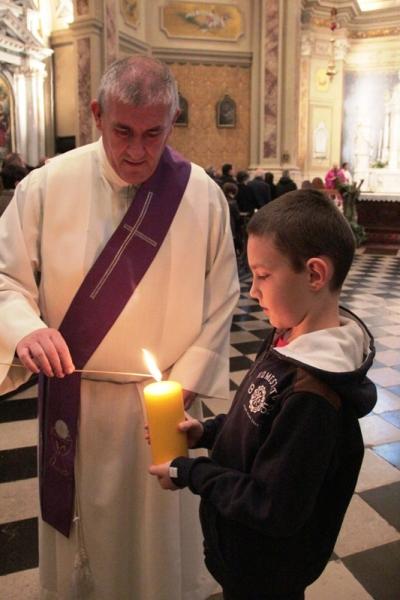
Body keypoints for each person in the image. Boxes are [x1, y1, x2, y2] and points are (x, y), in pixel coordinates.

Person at [0, 55, 239, 599]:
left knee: (157, 546)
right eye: (122, 131)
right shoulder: (45, 186)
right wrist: (24, 328)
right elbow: (4, 278)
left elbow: (224, 296)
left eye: (154, 134)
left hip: (165, 407)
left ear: (172, 121)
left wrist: (188, 384)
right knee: (82, 543)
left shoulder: (200, 194)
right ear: (95, 113)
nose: (137, 151)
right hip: (75, 402)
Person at [149, 189, 377, 600]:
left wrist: (191, 472)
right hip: (240, 553)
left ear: (314, 274)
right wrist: (207, 432)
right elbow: (255, 421)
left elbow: (272, 505)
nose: (252, 291)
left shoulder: (315, 393)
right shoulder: (285, 338)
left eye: (263, 275)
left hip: (267, 569)